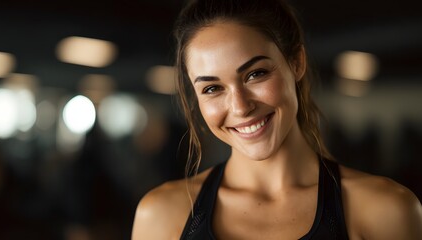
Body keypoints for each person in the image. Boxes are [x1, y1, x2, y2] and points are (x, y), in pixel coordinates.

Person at [132, 0, 422, 239]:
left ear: (296, 62)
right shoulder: (161, 215)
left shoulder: (385, 209)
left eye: (255, 74)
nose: (241, 106)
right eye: (212, 88)